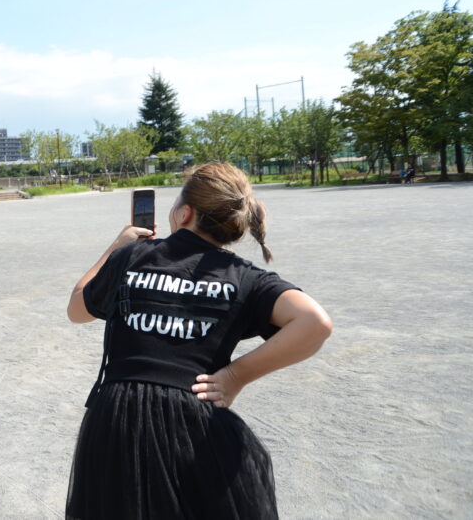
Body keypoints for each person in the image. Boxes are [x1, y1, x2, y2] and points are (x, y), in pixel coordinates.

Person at [65, 162, 332, 519]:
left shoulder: (131, 257)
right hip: (191, 420)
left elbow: (77, 308)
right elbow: (315, 322)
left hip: (118, 420)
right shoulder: (245, 277)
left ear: (185, 213)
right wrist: (235, 376)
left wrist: (116, 247)